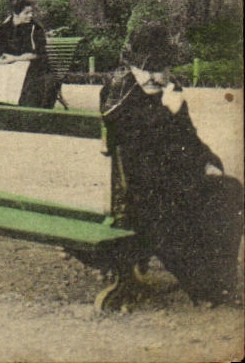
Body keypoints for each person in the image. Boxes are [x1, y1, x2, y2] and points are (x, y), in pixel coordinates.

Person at [100, 23, 243, 306]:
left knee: (230, 190)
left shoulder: (169, 89)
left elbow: (190, 138)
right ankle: (204, 286)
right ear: (131, 66)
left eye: (160, 70)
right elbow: (137, 142)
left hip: (181, 179)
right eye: (145, 70)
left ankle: (222, 280)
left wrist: (208, 162)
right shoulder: (119, 91)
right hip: (143, 188)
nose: (153, 77)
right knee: (174, 213)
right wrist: (170, 111)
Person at [0, 0, 60, 108]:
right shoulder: (5, 28)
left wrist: (15, 58)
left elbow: (38, 54)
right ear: (16, 14)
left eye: (31, 12)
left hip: (33, 65)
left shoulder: (35, 28)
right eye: (26, 13)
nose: (30, 15)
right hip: (7, 64)